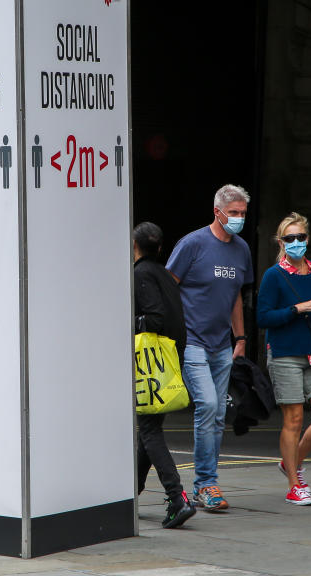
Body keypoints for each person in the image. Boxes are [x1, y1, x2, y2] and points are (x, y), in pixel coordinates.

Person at [166, 184, 253, 511]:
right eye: (233, 213)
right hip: (192, 341)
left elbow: (235, 298)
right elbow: (167, 288)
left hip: (221, 344)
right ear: (217, 212)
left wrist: (241, 339)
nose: (238, 219)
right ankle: (205, 483)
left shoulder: (241, 249)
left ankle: (207, 481)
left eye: (242, 214)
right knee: (208, 404)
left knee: (217, 414)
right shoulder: (192, 244)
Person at [256, 212, 311, 505]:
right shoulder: (273, 275)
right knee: (292, 419)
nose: (295, 243)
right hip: (285, 354)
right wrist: (299, 308)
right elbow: (263, 317)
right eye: (289, 238)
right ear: (281, 242)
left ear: (307, 238)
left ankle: (290, 461)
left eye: (300, 237)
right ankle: (294, 483)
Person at [133, 222, 196, 529]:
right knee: (149, 428)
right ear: (159, 248)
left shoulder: (141, 274)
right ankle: (132, 493)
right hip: (170, 360)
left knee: (149, 428)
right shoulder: (164, 276)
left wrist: (129, 321)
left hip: (151, 366)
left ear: (135, 246)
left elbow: (154, 317)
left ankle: (176, 497)